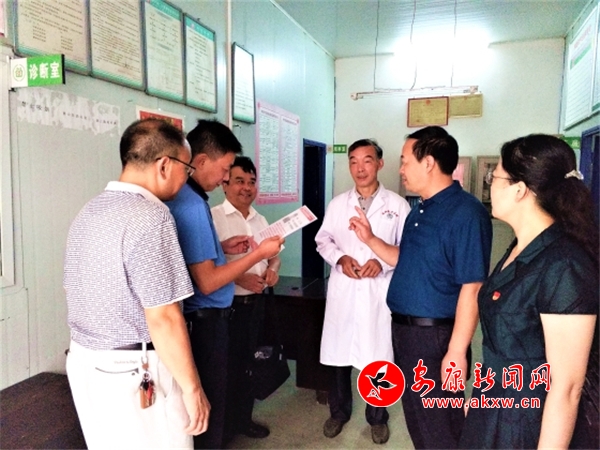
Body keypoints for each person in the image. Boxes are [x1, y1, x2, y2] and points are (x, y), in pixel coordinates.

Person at [64, 119, 210, 449]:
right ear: (164, 165)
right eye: (186, 169)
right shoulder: (151, 216)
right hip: (134, 369)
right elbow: (163, 316)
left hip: (84, 362)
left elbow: (72, 289)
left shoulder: (89, 210)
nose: (186, 178)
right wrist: (192, 388)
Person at [349, 126, 493, 449]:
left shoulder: (466, 213)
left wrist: (456, 352)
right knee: (419, 422)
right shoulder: (420, 208)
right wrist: (370, 239)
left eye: (405, 161)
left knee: (441, 428)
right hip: (406, 334)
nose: (400, 169)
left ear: (428, 163)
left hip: (435, 339)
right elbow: (405, 259)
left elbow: (472, 288)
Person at [458, 135, 599, 449]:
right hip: (495, 405)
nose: (489, 186)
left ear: (519, 189)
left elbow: (567, 387)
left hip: (527, 424)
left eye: (494, 178)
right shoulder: (520, 247)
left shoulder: (564, 265)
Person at [166, 120, 283, 449]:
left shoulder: (189, 199)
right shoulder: (193, 205)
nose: (225, 179)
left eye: (248, 180)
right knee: (212, 401)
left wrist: (224, 249)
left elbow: (198, 259)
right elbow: (206, 281)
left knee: (236, 377)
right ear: (201, 160)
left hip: (217, 316)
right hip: (207, 321)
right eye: (226, 171)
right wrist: (258, 253)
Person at [315, 139, 411, 444]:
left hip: (378, 293)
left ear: (379, 164)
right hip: (345, 290)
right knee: (339, 357)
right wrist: (340, 258)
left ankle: (377, 418)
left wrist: (381, 263)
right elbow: (323, 240)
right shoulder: (337, 204)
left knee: (377, 358)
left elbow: (407, 250)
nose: (360, 168)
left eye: (367, 160)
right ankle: (338, 412)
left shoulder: (397, 206)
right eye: (354, 161)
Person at [211, 156, 281, 442]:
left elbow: (274, 256)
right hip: (229, 308)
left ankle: (243, 420)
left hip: (256, 305)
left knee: (250, 365)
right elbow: (207, 265)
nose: (246, 188)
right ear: (225, 184)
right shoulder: (214, 217)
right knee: (226, 369)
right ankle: (223, 429)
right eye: (239, 181)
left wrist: (273, 271)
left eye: (251, 182)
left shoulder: (260, 219)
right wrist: (241, 279)